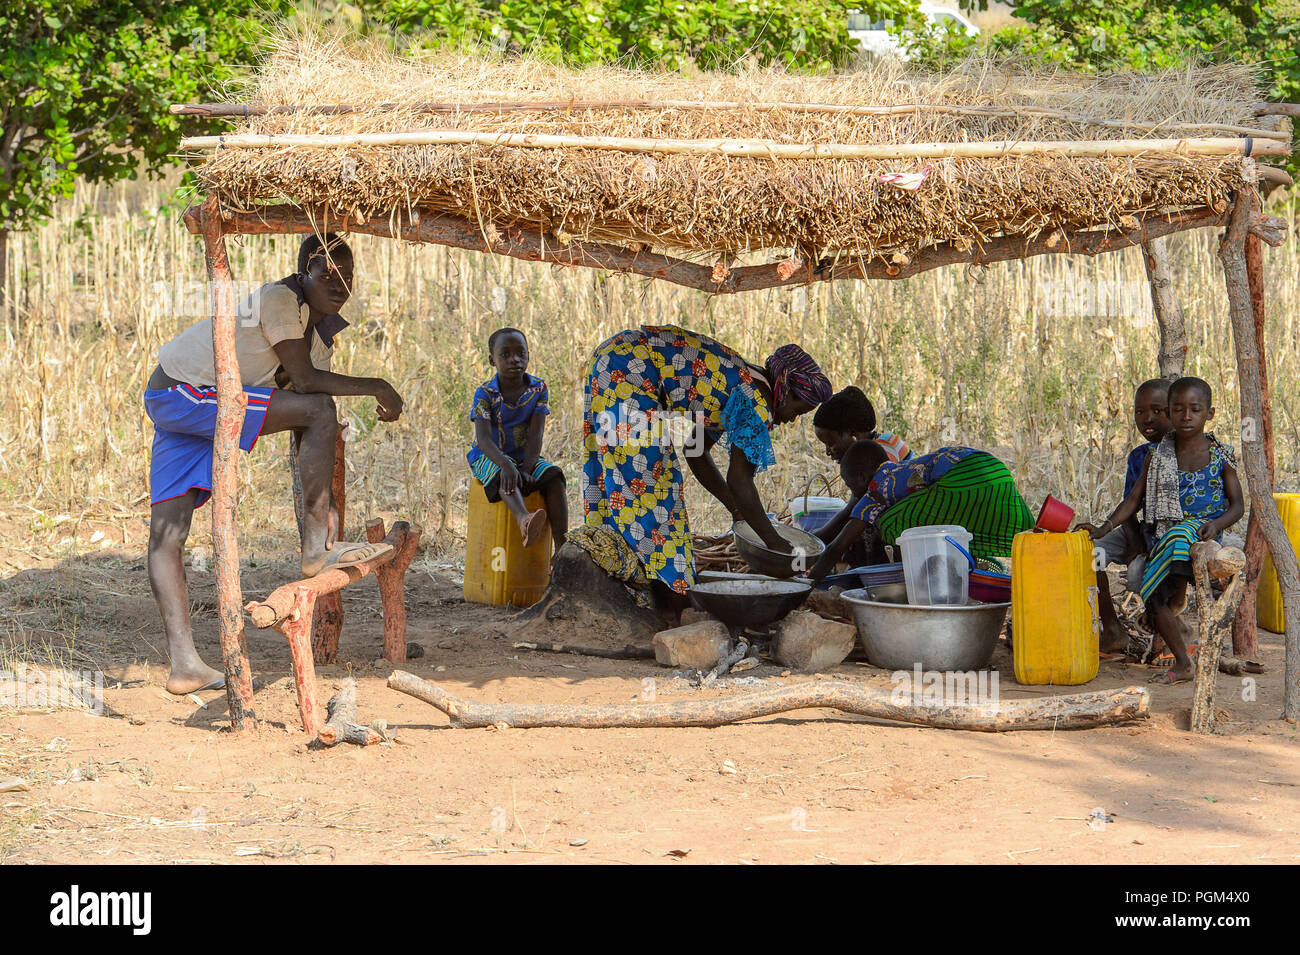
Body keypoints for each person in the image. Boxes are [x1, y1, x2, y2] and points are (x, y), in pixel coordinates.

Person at [146, 234, 403, 694]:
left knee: (167, 532)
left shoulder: (317, 325)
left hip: (177, 398)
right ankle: (314, 548)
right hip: (186, 393)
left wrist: (324, 499)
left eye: (348, 277)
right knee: (321, 409)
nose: (339, 284)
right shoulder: (279, 297)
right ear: (305, 271)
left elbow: (306, 388)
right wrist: (377, 385)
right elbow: (306, 384)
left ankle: (185, 665)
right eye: (328, 274)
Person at [582, 325, 830, 609]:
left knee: (620, 476)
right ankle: (669, 597)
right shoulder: (755, 403)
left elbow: (695, 451)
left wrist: (736, 510)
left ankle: (629, 587)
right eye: (797, 411)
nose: (792, 420)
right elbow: (740, 481)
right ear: (786, 392)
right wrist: (774, 542)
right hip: (630, 370)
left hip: (615, 358)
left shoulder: (739, 384)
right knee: (653, 487)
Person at [1081, 377, 1243, 685]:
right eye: (1178, 409)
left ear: (1208, 414)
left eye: (1193, 410)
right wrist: (1104, 529)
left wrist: (1217, 525)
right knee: (1150, 592)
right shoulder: (1154, 458)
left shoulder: (1220, 455)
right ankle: (1172, 652)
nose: (1185, 416)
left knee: (1171, 548)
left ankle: (1177, 622)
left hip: (1196, 534)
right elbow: (1132, 502)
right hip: (1159, 534)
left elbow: (1237, 506)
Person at [807, 440, 1033, 581]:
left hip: (962, 476)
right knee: (957, 528)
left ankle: (911, 579)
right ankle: (1036, 537)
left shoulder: (874, 490)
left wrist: (810, 580)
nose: (852, 493)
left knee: (891, 524)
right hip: (991, 468)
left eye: (849, 486)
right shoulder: (899, 472)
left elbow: (837, 547)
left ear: (861, 478)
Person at [1082, 378, 1171, 654]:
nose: (1148, 419)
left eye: (1158, 411)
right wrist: (1132, 543)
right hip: (1140, 531)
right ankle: (1112, 630)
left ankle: (1172, 637)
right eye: (1140, 412)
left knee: (1138, 576)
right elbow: (1130, 505)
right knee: (1088, 554)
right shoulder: (1138, 456)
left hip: (1170, 537)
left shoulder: (1186, 453)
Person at [467, 327, 567, 549]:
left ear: (528, 355)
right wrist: (506, 465)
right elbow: (483, 440)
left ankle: (562, 548)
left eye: (521, 353)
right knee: (505, 474)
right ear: (492, 360)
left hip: (524, 456)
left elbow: (536, 435)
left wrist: (528, 468)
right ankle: (524, 520)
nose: (514, 360)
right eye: (505, 355)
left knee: (555, 477)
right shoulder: (485, 393)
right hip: (489, 455)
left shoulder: (538, 388)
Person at [810, 386, 912, 563]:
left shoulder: (884, 451)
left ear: (852, 434)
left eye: (830, 443)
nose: (828, 452)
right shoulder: (874, 448)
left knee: (861, 529)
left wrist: (812, 544)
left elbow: (855, 510)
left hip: (908, 535)